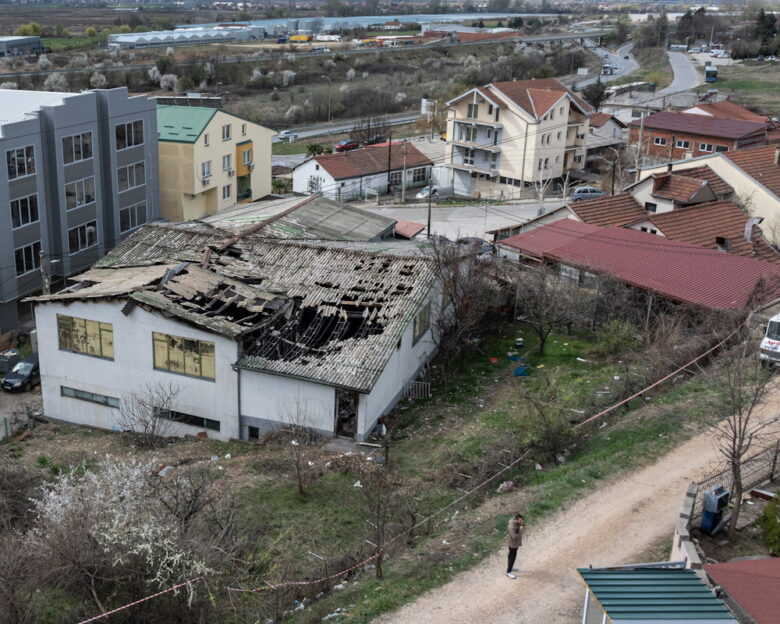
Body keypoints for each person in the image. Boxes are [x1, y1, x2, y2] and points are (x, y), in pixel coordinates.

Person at [506, 513, 525, 579]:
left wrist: (522, 525)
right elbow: (514, 537)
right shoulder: (511, 527)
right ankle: (508, 572)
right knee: (512, 557)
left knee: (511, 555)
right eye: (520, 521)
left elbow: (522, 525)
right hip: (513, 544)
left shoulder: (517, 522)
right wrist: (520, 530)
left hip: (515, 543)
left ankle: (511, 567)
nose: (521, 522)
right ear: (516, 520)